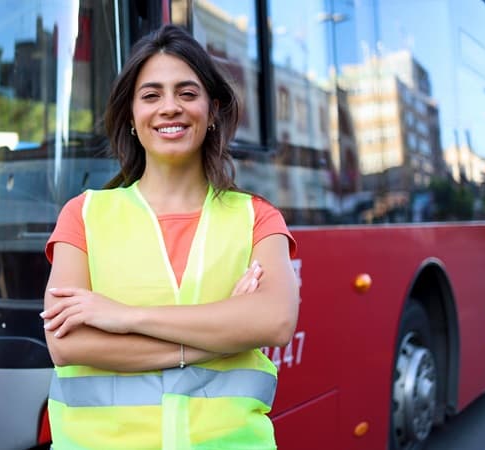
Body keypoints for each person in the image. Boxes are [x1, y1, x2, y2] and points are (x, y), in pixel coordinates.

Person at [41, 24, 300, 450]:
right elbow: (67, 343)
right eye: (151, 95)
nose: (170, 108)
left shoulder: (256, 218)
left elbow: (274, 320)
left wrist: (125, 318)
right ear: (130, 115)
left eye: (187, 93)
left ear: (212, 110)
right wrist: (223, 334)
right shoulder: (84, 215)